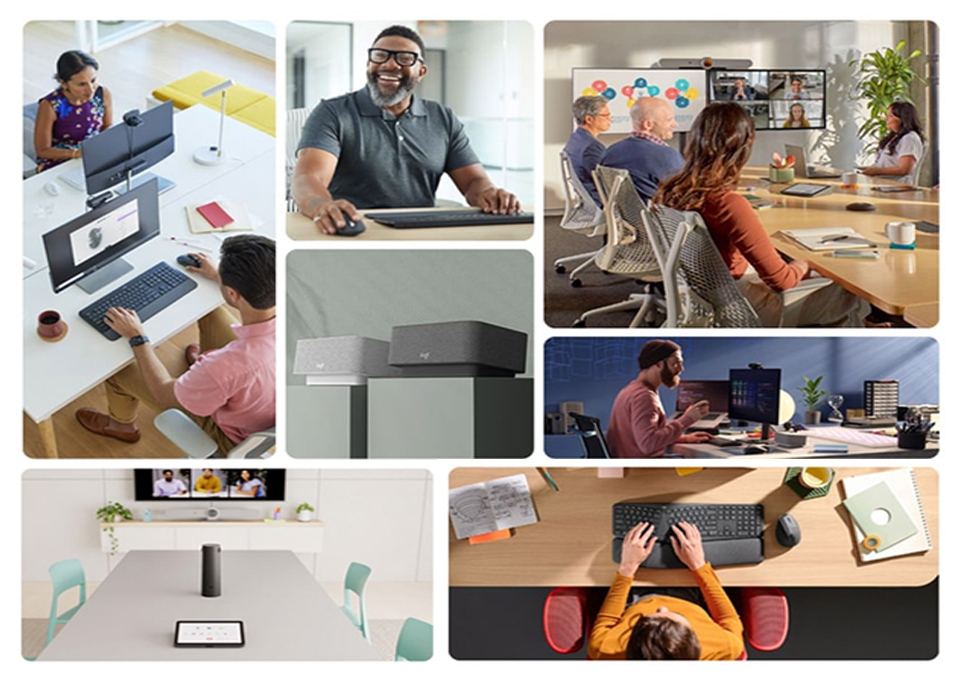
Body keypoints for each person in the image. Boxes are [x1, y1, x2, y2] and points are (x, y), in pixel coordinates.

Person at [654, 102, 871, 327]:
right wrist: (805, 263)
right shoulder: (729, 204)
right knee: (846, 288)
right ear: (742, 148)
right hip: (740, 308)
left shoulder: (669, 192)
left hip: (702, 298)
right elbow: (782, 281)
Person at [292, 25, 520, 234]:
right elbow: (307, 177)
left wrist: (489, 193)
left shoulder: (443, 118)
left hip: (419, 230)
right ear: (368, 63)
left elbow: (473, 182)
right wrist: (323, 206)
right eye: (380, 55)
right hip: (354, 228)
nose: (390, 64)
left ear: (421, 72)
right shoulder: (332, 112)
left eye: (404, 58)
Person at [75, 235, 276, 453]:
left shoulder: (225, 367)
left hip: (233, 436)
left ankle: (121, 425)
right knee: (213, 314)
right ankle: (202, 380)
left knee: (118, 371)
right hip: (264, 403)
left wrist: (137, 336)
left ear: (232, 293)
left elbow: (163, 393)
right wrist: (221, 277)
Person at [588, 521, 744, 660]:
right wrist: (698, 565)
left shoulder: (604, 649)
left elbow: (607, 619)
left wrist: (627, 567)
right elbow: (727, 618)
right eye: (679, 616)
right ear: (694, 637)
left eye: (643, 621)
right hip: (693, 598)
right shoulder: (726, 648)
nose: (662, 607)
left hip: (636, 598)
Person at [605, 340, 712, 458]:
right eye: (675, 363)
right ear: (658, 364)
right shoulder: (644, 397)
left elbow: (642, 438)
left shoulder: (631, 389)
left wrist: (684, 438)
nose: (681, 369)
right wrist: (687, 419)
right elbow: (648, 444)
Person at [35, 50, 113, 173]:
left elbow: (107, 125)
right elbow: (43, 150)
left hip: (93, 152)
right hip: (62, 157)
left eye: (93, 81)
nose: (90, 90)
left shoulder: (102, 93)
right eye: (81, 84)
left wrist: (102, 146)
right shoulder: (49, 106)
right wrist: (77, 154)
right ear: (63, 83)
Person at [599, 97, 684, 202]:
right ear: (648, 125)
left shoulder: (610, 152)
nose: (675, 124)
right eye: (669, 120)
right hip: (661, 216)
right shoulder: (667, 156)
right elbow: (684, 194)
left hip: (622, 217)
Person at [563, 95, 611, 205]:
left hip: (585, 199)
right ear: (589, 119)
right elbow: (606, 180)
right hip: (598, 202)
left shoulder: (576, 139)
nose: (610, 119)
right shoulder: (591, 147)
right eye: (606, 115)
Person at [861, 102, 925, 182]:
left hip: (897, 188)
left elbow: (904, 169)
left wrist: (876, 171)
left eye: (890, 116)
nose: (885, 118)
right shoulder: (894, 137)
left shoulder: (910, 138)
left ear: (902, 119)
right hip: (882, 185)